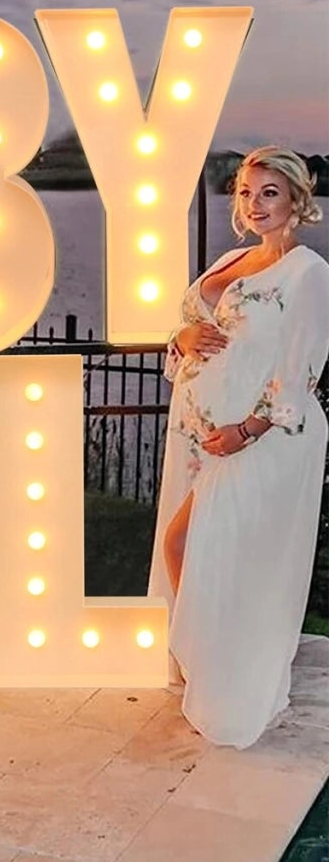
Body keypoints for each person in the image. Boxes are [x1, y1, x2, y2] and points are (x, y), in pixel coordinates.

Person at [147, 146, 329, 749]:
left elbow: (301, 368)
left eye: (270, 192)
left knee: (219, 552)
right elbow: (187, 335)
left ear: (298, 200)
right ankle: (209, 666)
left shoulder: (308, 272)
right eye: (248, 192)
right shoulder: (231, 258)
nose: (256, 204)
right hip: (202, 435)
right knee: (201, 549)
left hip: (260, 440)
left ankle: (229, 679)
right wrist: (181, 334)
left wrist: (247, 431)